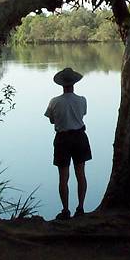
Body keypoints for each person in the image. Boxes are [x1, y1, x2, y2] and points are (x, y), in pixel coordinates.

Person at [44, 67, 90, 220]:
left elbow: (51, 120)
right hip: (80, 137)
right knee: (81, 174)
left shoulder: (54, 102)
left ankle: (65, 210)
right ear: (74, 84)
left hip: (62, 139)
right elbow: (82, 114)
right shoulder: (82, 100)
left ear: (61, 85)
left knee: (63, 177)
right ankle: (81, 207)